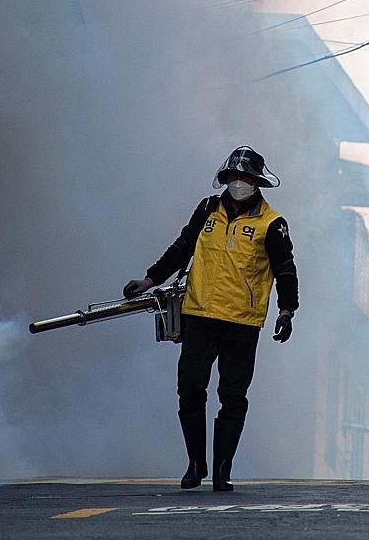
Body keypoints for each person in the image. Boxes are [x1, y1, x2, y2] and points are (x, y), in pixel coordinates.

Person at [122, 146, 298, 492]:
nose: (237, 182)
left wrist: (287, 310)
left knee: (232, 396)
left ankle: (222, 470)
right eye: (232, 176)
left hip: (242, 323)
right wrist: (149, 280)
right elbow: (182, 247)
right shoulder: (207, 210)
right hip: (199, 315)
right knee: (189, 389)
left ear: (257, 181)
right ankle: (195, 464)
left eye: (245, 177)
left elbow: (285, 270)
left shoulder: (272, 224)